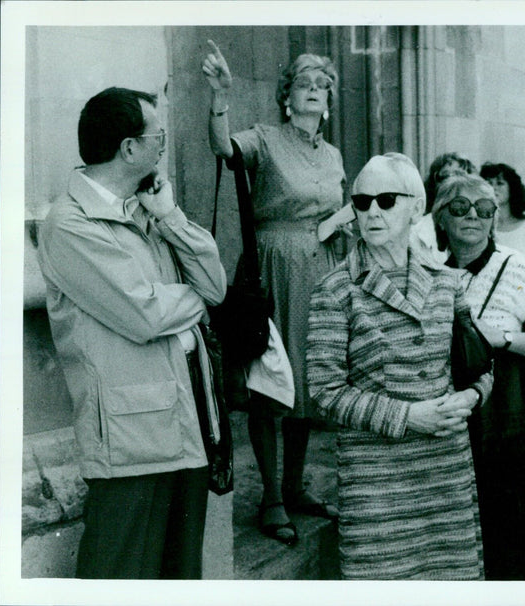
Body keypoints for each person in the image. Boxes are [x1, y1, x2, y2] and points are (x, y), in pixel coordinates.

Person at [37, 87, 228, 578]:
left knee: (178, 578)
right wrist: (194, 301)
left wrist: (170, 216)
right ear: (128, 148)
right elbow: (144, 314)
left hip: (183, 426)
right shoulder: (70, 224)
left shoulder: (145, 210)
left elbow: (215, 283)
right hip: (128, 446)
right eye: (157, 135)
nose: (162, 144)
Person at [306, 153, 492, 579]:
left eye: (386, 200)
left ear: (418, 206)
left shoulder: (446, 281)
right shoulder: (335, 289)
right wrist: (410, 416)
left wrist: (471, 396)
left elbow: (480, 364)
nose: (371, 211)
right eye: (361, 201)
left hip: (443, 471)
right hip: (378, 481)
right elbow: (325, 390)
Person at [203, 40, 347, 545]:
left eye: (321, 85)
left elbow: (337, 209)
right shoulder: (265, 138)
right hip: (273, 268)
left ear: (329, 99)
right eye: (304, 84)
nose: (313, 91)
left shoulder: (333, 155)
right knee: (271, 383)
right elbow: (223, 147)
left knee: (306, 382)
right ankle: (270, 497)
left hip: (323, 270)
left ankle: (294, 486)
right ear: (288, 97)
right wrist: (221, 95)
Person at [434, 173, 525, 579]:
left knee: (519, 541)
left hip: (511, 421)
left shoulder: (517, 268)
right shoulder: (432, 274)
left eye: (484, 210)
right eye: (460, 208)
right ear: (441, 218)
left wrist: (504, 338)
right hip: (457, 424)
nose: (473, 217)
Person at [411, 152, 476, 264]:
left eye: (460, 175)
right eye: (446, 176)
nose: (453, 182)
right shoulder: (416, 231)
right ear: (435, 183)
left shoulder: (481, 225)